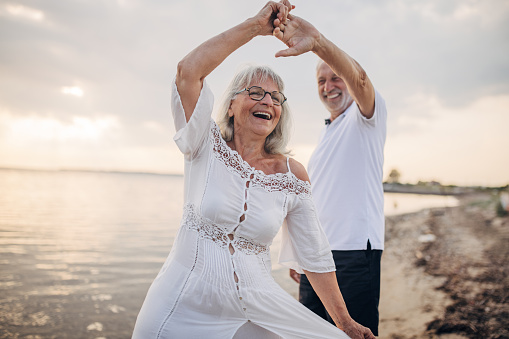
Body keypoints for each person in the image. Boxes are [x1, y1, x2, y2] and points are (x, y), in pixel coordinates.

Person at [132, 1, 375, 338]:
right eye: (256, 92)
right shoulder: (205, 144)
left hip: (256, 309)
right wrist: (256, 26)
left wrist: (345, 322)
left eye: (276, 98)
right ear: (231, 105)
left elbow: (315, 256)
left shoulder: (292, 175)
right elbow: (188, 70)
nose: (268, 102)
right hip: (182, 305)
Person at [274, 7, 388, 337]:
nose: (328, 86)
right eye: (321, 80)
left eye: (335, 77)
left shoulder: (367, 117)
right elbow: (314, 199)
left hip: (353, 253)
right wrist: (299, 253)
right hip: (316, 257)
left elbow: (361, 79)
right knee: (312, 334)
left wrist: (318, 43)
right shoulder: (327, 133)